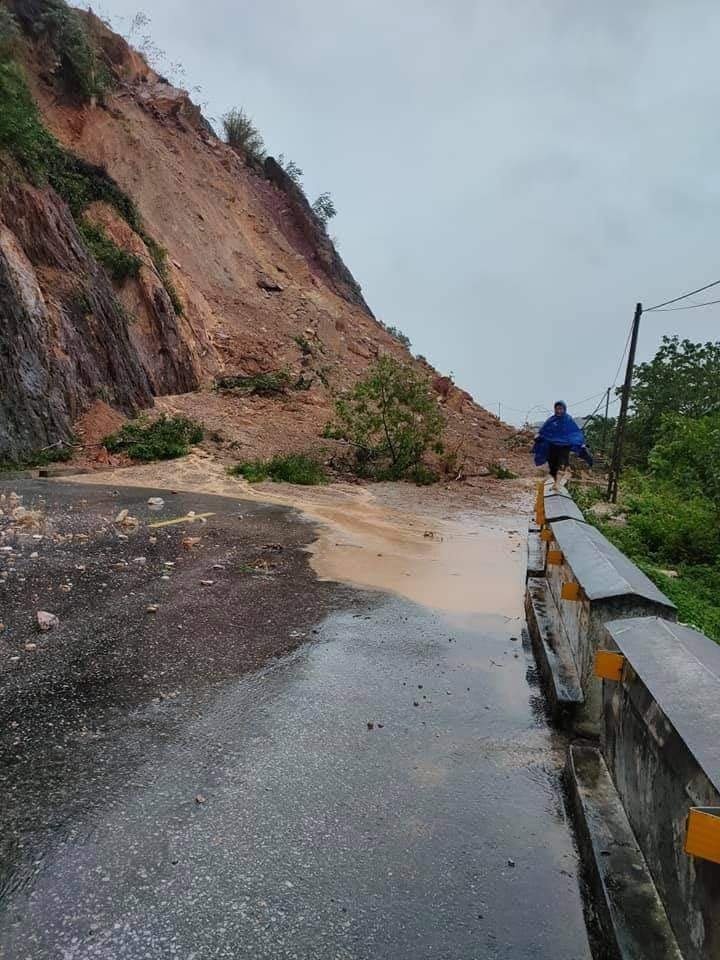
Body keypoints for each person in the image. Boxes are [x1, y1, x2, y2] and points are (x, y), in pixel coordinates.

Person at [533, 401, 592, 492]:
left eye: (560, 409)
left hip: (564, 446)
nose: (558, 411)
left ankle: (557, 484)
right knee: (552, 465)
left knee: (562, 463)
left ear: (564, 409)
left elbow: (575, 432)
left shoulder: (568, 420)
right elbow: (544, 431)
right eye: (557, 409)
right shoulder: (551, 420)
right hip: (552, 446)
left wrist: (580, 443)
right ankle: (555, 482)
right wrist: (538, 436)